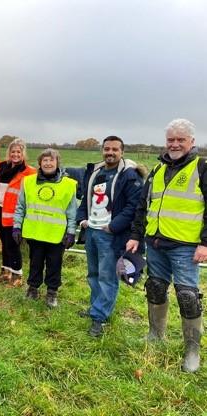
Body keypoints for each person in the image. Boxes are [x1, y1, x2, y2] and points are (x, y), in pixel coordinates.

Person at [127, 118, 205, 373]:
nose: (175, 144)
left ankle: (192, 351)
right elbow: (142, 206)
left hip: (185, 245)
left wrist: (205, 243)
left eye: (180, 139)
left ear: (191, 142)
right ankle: (155, 335)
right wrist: (136, 236)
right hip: (156, 241)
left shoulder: (201, 168)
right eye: (171, 139)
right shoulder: (158, 170)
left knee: (188, 297)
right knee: (155, 288)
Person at [77, 136, 144, 336]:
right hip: (91, 231)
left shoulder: (129, 176)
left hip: (110, 234)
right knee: (93, 274)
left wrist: (113, 227)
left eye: (115, 149)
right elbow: (85, 199)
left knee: (107, 276)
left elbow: (134, 206)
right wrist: (82, 219)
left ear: (122, 152)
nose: (110, 153)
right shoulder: (95, 173)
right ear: (102, 150)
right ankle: (96, 307)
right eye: (107, 149)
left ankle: (100, 317)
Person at [12, 149, 77, 307]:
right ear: (40, 163)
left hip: (56, 234)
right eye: (45, 160)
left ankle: (52, 292)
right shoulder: (28, 182)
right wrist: (17, 227)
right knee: (35, 262)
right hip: (35, 232)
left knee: (54, 264)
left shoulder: (68, 185)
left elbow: (72, 211)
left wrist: (71, 232)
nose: (48, 163)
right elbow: (20, 207)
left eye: (51, 160)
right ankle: (33, 288)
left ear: (57, 163)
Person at [0, 138, 36, 286]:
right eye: (13, 151)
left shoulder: (29, 172)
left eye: (18, 152)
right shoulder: (2, 167)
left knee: (13, 244)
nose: (15, 154)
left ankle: (17, 275)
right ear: (8, 153)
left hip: (14, 214)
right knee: (4, 243)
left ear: (23, 154)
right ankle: (5, 272)